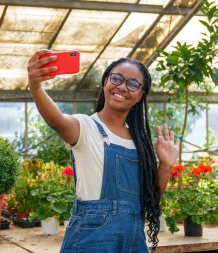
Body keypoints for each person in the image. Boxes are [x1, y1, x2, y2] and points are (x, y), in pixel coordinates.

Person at [27, 49, 179, 253]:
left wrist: (166, 166)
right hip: (91, 240)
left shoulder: (140, 143)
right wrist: (36, 86)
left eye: (133, 84)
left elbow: (150, 201)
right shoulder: (84, 127)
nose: (123, 87)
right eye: (117, 79)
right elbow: (57, 120)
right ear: (105, 81)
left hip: (133, 242)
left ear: (140, 95)